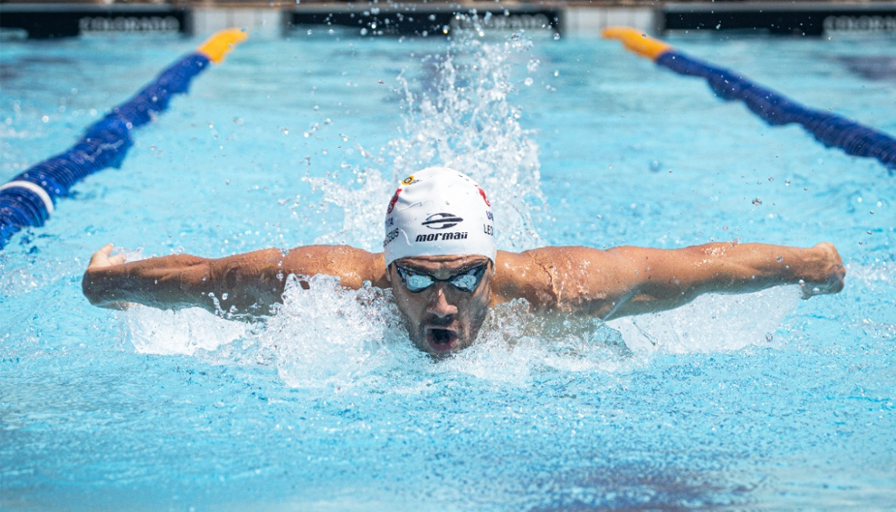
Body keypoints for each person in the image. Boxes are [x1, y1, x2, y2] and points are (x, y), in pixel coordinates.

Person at [83, 167, 845, 356]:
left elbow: (695, 265)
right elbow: (203, 277)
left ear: (491, 268)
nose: (440, 304)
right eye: (415, 277)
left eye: (461, 277)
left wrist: (809, 261)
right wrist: (108, 280)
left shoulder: (558, 289)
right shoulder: (326, 285)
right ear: (387, 273)